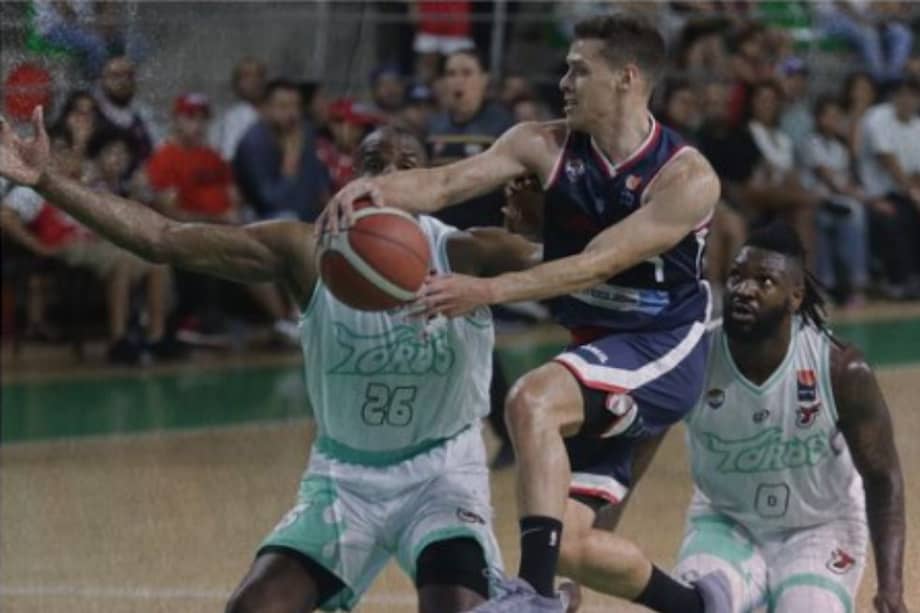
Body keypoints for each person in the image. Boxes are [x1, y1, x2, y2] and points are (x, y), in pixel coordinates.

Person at [0, 111, 547, 612]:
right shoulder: (305, 251)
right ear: (349, 178)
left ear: (431, 182)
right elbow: (163, 239)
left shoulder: (468, 252)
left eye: (407, 166)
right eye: (373, 164)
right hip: (344, 479)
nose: (386, 177)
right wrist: (48, 181)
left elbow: (592, 258)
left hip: (443, 476)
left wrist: (546, 226)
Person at [322, 14, 728, 613]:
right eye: (565, 66)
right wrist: (372, 194)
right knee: (568, 539)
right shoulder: (540, 142)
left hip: (661, 347)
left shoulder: (686, 177)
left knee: (530, 399)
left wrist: (485, 291)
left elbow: (595, 265)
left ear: (627, 78)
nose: (563, 80)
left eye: (579, 69)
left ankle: (533, 598)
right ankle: (698, 606)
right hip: (598, 347)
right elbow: (445, 184)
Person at [676, 222, 907, 613]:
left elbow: (883, 480)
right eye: (736, 277)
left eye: (764, 281)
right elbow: (628, 461)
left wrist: (891, 587)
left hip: (822, 525)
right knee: (702, 605)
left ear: (795, 297)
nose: (744, 289)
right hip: (726, 520)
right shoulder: (694, 359)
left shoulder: (840, 369)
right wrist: (575, 568)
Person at [145, 92, 299, 345]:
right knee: (248, 252)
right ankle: (282, 320)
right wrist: (218, 219)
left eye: (202, 118)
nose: (198, 124)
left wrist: (232, 216)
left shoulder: (212, 156)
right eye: (190, 117)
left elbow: (233, 196)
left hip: (227, 226)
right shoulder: (165, 157)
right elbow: (169, 212)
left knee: (281, 236)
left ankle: (294, 317)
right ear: (176, 120)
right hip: (189, 231)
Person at [233, 78, 331, 221]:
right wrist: (289, 166)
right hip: (264, 221)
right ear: (264, 108)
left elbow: (318, 184)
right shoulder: (253, 143)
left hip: (308, 219)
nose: (292, 114)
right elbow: (270, 202)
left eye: (296, 106)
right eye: (283, 106)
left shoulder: (304, 131)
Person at [209, 57, 267, 162]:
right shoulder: (229, 119)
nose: (253, 80)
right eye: (246, 76)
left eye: (258, 75)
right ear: (237, 83)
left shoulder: (276, 113)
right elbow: (228, 157)